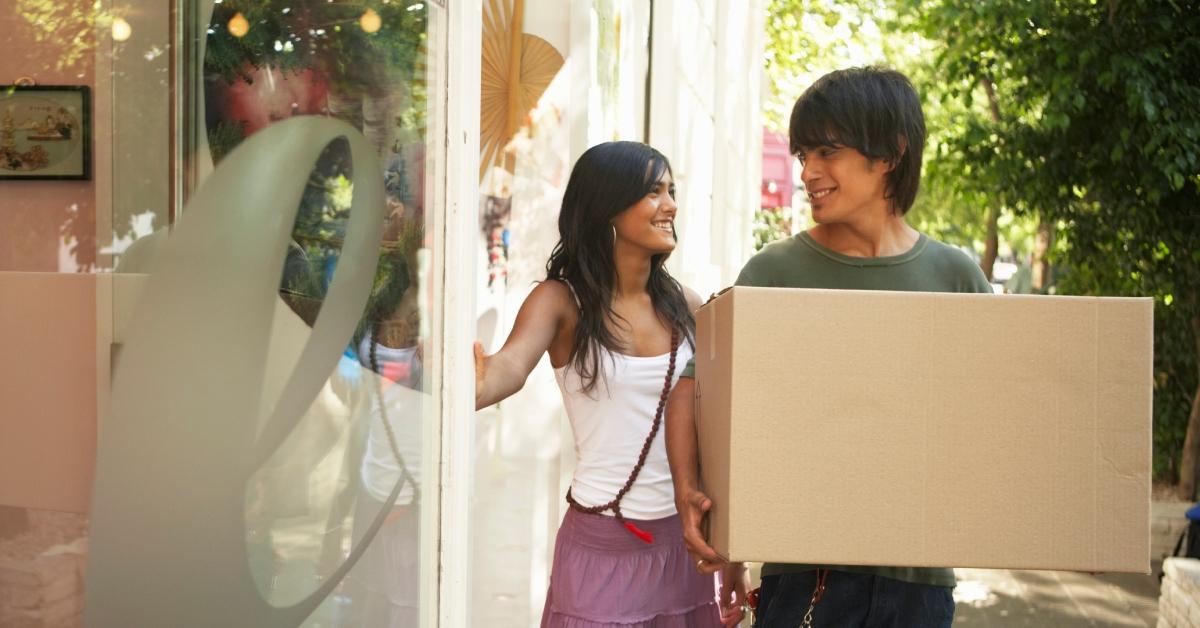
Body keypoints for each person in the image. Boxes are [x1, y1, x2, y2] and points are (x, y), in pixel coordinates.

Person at [665, 66, 993, 627]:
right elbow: (696, 390)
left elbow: (996, 411)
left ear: (889, 152)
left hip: (919, 583)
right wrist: (690, 495)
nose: (808, 172)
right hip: (804, 579)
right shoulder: (776, 270)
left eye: (827, 152)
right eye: (802, 156)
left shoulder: (954, 275)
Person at [474, 141, 744, 627]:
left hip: (683, 548)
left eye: (672, 191)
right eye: (654, 192)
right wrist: (463, 378)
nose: (671, 206)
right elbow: (507, 370)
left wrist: (735, 556)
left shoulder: (688, 304)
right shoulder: (561, 300)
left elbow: (720, 432)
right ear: (608, 207)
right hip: (599, 550)